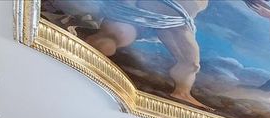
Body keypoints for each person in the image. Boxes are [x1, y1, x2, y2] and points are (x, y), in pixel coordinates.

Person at [79, 0, 213, 107]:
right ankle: (78, 65)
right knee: (109, 41)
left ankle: (182, 93)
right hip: (135, 15)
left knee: (192, 64)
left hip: (176, 22)